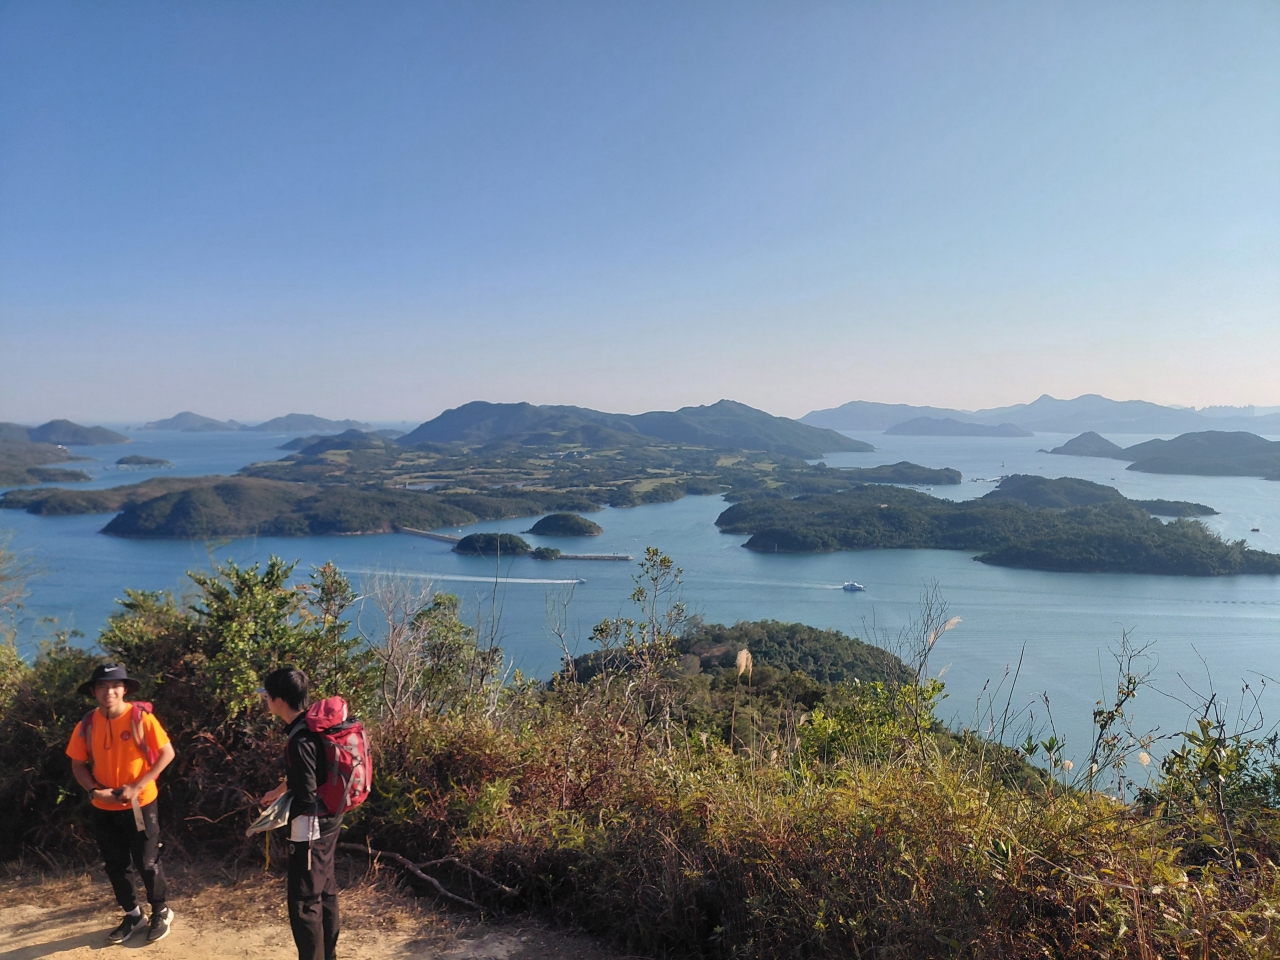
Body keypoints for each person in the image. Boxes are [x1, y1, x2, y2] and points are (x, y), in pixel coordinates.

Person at [66, 662, 177, 945]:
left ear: (125, 689)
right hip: (104, 806)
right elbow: (78, 764)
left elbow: (167, 753)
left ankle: (161, 911)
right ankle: (133, 915)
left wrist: (137, 786)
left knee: (147, 862)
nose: (109, 692)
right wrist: (94, 792)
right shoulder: (87, 724)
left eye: (115, 685)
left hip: (141, 803)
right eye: (102, 686)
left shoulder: (140, 718)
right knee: (115, 865)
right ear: (94, 691)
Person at [261, 666, 342, 960]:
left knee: (304, 901)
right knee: (325, 890)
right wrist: (279, 791)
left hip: (310, 828)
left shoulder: (299, 739)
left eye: (267, 696)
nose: (265, 700)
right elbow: (310, 774)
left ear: (280, 701)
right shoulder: (314, 725)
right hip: (331, 817)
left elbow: (306, 796)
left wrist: (277, 816)